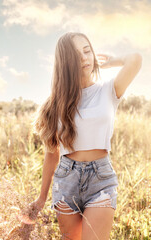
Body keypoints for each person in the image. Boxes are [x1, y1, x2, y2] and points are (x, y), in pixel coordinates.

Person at [18, 32, 142, 239]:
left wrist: (113, 62)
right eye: (77, 55)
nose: (85, 58)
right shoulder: (55, 103)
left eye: (87, 51)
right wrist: (41, 199)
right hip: (66, 180)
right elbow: (52, 154)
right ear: (65, 62)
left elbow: (136, 59)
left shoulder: (109, 90)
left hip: (100, 179)